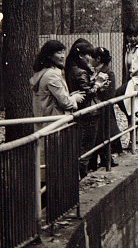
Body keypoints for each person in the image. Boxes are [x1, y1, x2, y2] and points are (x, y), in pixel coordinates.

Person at [65, 38, 99, 178]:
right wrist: (97, 85)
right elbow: (87, 93)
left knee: (81, 146)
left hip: (78, 112)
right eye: (88, 55)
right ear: (81, 56)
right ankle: (81, 176)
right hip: (88, 113)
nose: (90, 59)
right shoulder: (80, 72)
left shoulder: (70, 68)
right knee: (86, 147)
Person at [31, 40, 85, 117]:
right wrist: (74, 98)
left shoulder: (43, 72)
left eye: (63, 52)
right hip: (53, 121)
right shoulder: (52, 75)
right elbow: (65, 103)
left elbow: (52, 98)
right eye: (59, 53)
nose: (63, 56)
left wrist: (69, 96)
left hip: (45, 120)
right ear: (49, 55)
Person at [93, 47, 122, 167]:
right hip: (97, 107)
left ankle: (106, 159)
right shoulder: (94, 71)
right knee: (99, 134)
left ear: (98, 59)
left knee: (104, 132)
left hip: (104, 108)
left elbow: (110, 93)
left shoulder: (108, 73)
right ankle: (98, 160)